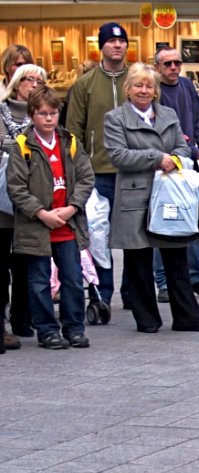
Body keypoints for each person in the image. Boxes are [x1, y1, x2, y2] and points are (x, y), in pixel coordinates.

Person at [102, 63, 199, 334]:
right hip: (134, 195)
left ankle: (187, 317)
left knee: (176, 257)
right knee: (138, 261)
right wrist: (158, 158)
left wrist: (174, 159)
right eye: (138, 85)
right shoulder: (115, 118)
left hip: (169, 193)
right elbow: (118, 155)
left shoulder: (167, 113)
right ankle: (147, 319)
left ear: (155, 90)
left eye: (149, 86)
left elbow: (182, 147)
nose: (144, 90)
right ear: (128, 89)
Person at [6, 87, 94, 349]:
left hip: (67, 224)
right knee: (39, 283)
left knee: (72, 280)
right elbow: (16, 188)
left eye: (53, 113)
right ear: (32, 115)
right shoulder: (22, 146)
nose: (48, 119)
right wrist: (41, 212)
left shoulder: (70, 142)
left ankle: (74, 328)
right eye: (42, 114)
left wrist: (72, 208)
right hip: (36, 227)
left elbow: (86, 178)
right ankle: (46, 330)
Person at [66, 22, 132, 307]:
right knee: (98, 235)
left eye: (121, 41)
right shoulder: (85, 83)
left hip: (133, 170)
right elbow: (73, 130)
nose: (117, 46)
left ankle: (133, 293)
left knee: (133, 236)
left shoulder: (138, 78)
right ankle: (102, 294)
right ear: (101, 46)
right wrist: (78, 169)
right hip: (98, 172)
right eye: (111, 42)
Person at [152, 46, 199, 301]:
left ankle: (193, 275)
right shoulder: (154, 91)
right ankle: (163, 282)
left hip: (191, 164)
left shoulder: (187, 86)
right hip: (166, 165)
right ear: (157, 66)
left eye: (177, 63)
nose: (173, 68)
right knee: (167, 223)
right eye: (167, 64)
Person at [0, 63, 46, 349]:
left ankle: (23, 317)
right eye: (29, 79)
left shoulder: (44, 113)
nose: (34, 84)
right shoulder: (2, 110)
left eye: (40, 80)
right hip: (3, 196)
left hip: (34, 196)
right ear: (16, 83)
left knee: (26, 261)